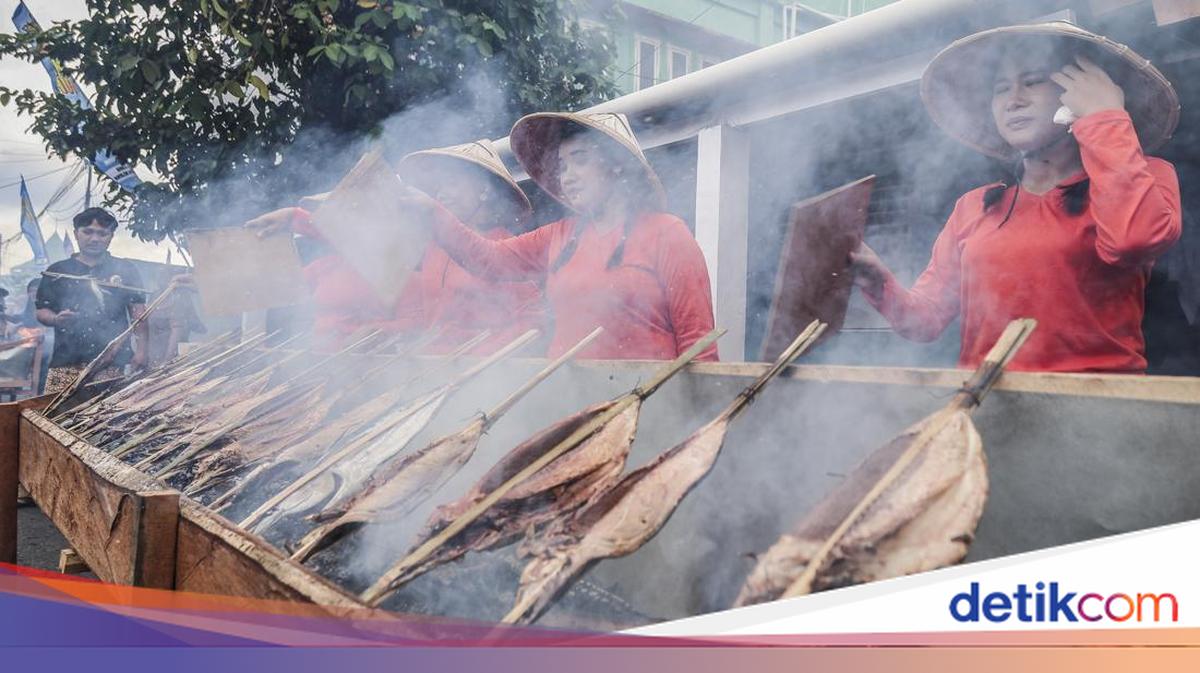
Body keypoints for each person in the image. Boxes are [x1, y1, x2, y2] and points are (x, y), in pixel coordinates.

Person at [851, 22, 1181, 373]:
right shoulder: (974, 206)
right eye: (1001, 89)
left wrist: (1104, 115)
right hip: (988, 404)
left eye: (1034, 81)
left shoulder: (1146, 175)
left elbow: (1134, 239)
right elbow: (925, 320)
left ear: (1078, 92)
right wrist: (875, 278)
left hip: (1098, 409)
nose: (1013, 100)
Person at [412, 112, 718, 361]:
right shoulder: (558, 236)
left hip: (645, 406)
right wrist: (431, 213)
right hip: (565, 400)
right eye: (562, 166)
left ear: (616, 165)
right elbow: (489, 261)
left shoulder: (667, 234)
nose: (567, 176)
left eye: (581, 159)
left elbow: (699, 346)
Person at [246, 140, 544, 352]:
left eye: (453, 182)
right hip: (431, 374)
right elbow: (365, 240)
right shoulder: (435, 247)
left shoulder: (507, 249)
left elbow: (532, 326)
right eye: (439, 185)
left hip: (485, 379)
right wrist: (295, 219)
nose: (441, 192)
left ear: (483, 190)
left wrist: (477, 357)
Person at [36, 207, 148, 392]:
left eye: (102, 233)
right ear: (76, 234)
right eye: (87, 232)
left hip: (114, 362)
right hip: (65, 362)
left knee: (106, 417)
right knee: (55, 415)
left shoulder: (125, 269)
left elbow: (139, 312)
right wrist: (56, 319)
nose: (95, 239)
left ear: (111, 236)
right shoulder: (57, 271)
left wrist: (142, 351)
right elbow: (41, 310)